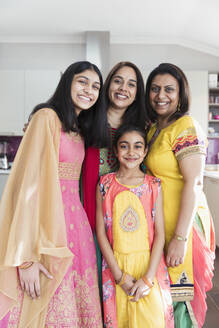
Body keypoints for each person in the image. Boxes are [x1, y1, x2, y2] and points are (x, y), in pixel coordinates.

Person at [0, 61, 106, 327]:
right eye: (82, 81)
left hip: (76, 231)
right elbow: (27, 189)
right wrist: (25, 259)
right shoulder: (46, 118)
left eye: (95, 86)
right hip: (45, 231)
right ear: (67, 82)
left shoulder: (80, 128)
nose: (89, 90)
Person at [144, 63, 215, 327]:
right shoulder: (154, 128)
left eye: (169, 89)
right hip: (165, 224)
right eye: (155, 88)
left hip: (184, 226)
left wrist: (180, 238)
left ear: (180, 94)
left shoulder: (185, 126)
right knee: (164, 298)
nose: (161, 95)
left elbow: (195, 182)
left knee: (180, 299)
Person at [96, 125, 174, 328]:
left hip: (149, 267)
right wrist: (119, 276)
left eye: (138, 146)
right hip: (116, 268)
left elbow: (159, 235)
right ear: (115, 150)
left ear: (145, 151)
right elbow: (101, 233)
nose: (131, 152)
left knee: (153, 319)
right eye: (124, 146)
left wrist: (148, 279)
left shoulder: (154, 185)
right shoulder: (104, 184)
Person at [82, 61, 148, 300]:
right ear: (108, 84)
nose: (124, 88)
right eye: (118, 80)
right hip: (87, 216)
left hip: (126, 223)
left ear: (137, 92)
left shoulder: (143, 129)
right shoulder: (85, 121)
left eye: (132, 84)